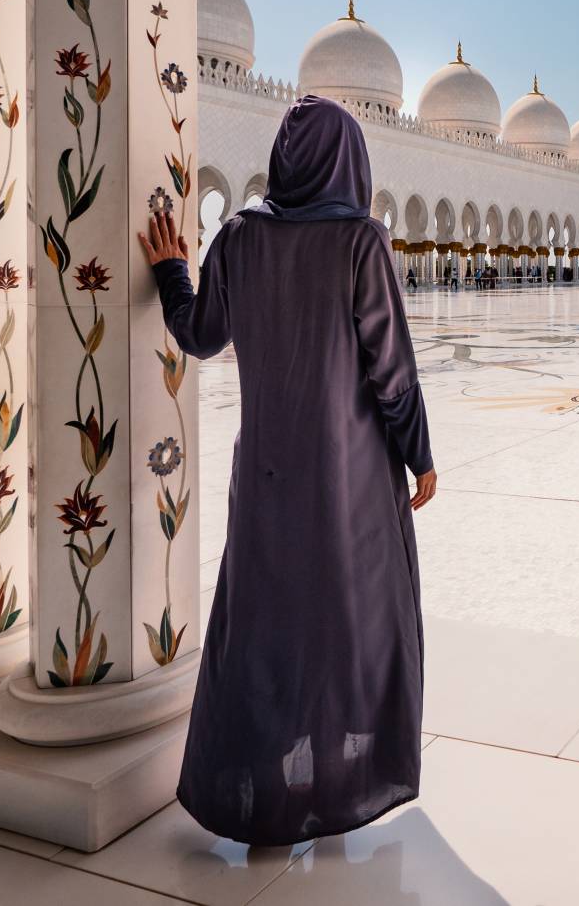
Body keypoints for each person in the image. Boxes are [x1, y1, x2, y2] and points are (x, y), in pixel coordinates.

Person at [139, 95, 436, 847]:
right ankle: (338, 786)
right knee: (351, 625)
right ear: (349, 161)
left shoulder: (239, 236)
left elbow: (200, 334)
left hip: (267, 476)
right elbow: (391, 371)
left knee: (265, 627)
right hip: (353, 480)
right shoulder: (361, 241)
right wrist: (420, 454)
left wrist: (173, 269)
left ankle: (257, 793)